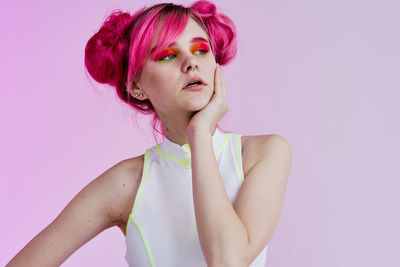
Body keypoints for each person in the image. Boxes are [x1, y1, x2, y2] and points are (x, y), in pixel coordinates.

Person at [6, 0, 292, 266]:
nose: (191, 62)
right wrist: (199, 134)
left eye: (201, 50)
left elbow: (228, 261)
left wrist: (201, 133)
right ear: (136, 85)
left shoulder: (263, 153)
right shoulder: (126, 183)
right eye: (168, 55)